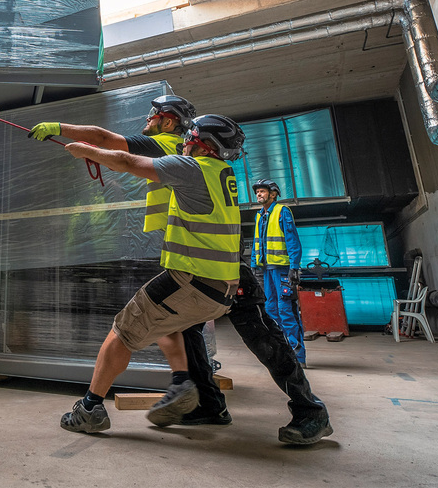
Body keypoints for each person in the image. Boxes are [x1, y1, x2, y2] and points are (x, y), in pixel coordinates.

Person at [54, 114, 246, 433]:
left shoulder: (192, 168)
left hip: (192, 281)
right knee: (164, 321)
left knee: (122, 331)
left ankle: (89, 408)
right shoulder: (223, 173)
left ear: (204, 144)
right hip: (221, 292)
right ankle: (182, 383)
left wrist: (85, 150)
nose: (186, 141)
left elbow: (126, 161)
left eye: (191, 137)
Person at [180, 261, 333, 444]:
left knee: (264, 340)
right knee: (185, 332)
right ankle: (210, 405)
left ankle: (312, 411)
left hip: (229, 272)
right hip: (193, 277)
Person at [28, 94, 197, 234]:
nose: (148, 118)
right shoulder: (179, 150)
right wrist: (99, 155)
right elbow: (123, 161)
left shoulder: (161, 144)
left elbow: (103, 138)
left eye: (154, 113)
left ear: (167, 123)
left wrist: (57, 128)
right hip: (183, 227)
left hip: (179, 230)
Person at [250, 179, 306, 366]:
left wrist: (294, 267)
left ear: (273, 194)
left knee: (286, 310)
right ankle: (282, 354)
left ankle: (298, 356)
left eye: (262, 191)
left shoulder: (282, 211)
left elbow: (292, 240)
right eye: (257, 192)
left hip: (282, 271)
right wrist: (254, 266)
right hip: (267, 271)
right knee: (271, 311)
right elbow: (257, 242)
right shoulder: (260, 215)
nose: (258, 194)